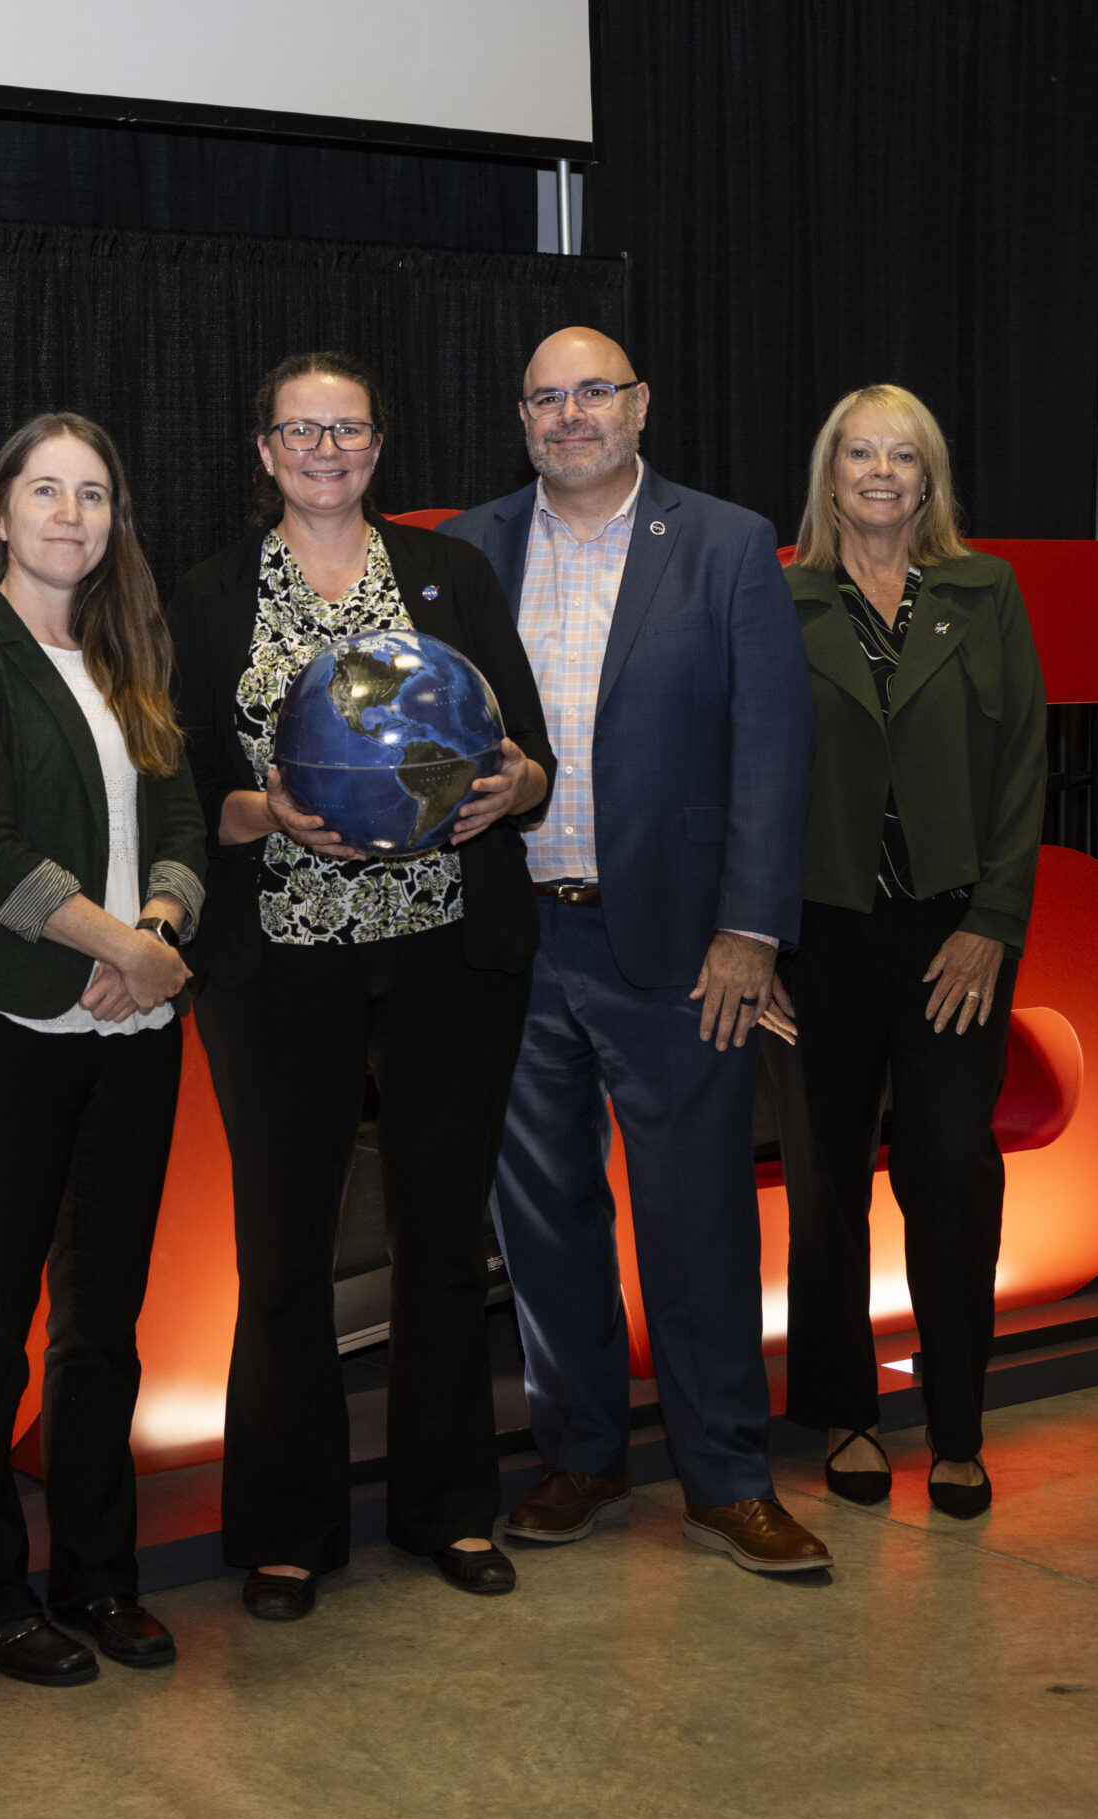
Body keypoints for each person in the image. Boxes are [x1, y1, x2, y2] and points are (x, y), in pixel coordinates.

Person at [169, 351, 555, 1619]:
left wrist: (515, 789)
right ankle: (289, 1530)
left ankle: (449, 1509)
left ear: (379, 445)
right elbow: (182, 784)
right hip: (278, 964)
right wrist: (253, 811)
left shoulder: (450, 575)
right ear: (263, 449)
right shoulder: (210, 594)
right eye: (301, 429)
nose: (324, 449)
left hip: (446, 952)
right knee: (283, 1251)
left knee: (441, 1241)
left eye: (347, 429)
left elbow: (529, 757)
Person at [440, 327, 829, 1574]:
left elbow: (770, 746)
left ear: (640, 404)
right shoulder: (466, 548)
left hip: (676, 947)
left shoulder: (723, 542)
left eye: (592, 392)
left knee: (695, 1216)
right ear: (521, 418)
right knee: (542, 1221)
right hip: (511, 939)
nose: (570, 415)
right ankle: (582, 1456)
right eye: (546, 398)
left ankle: (726, 1477)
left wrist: (750, 930)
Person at [0, 413, 206, 1684]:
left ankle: (98, 1577)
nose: (70, 515)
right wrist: (127, 950)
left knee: (103, 1329)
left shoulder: (132, 655)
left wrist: (157, 932)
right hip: (5, 1041)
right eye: (46, 490)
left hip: (133, 1037)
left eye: (93, 494)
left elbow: (183, 818)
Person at [771, 384, 1046, 1519]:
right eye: (860, 454)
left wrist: (993, 922)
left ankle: (958, 1426)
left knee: (952, 1172)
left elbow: (1025, 763)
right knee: (826, 1179)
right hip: (818, 934)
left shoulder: (985, 592)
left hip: (952, 937)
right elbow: (745, 772)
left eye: (903, 456)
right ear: (829, 475)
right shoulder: (779, 598)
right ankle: (845, 1413)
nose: (880, 473)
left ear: (929, 479)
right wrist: (751, 934)